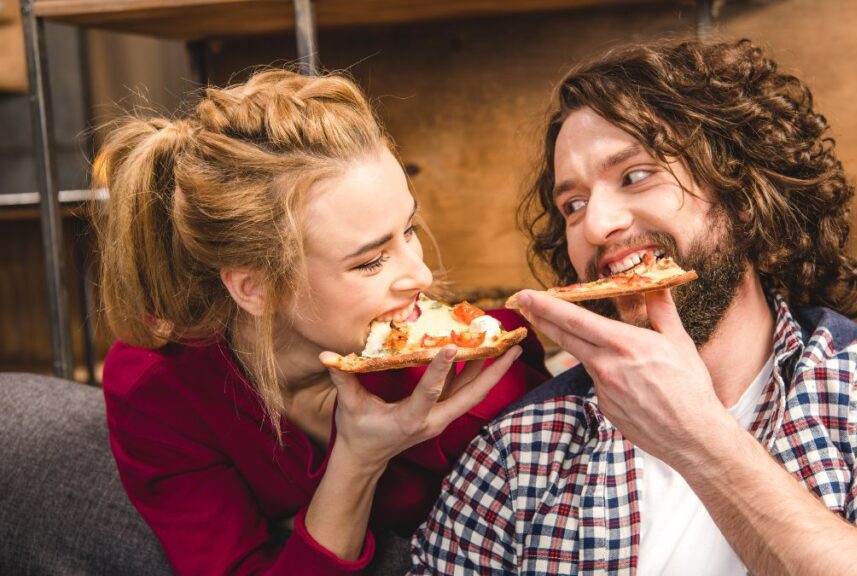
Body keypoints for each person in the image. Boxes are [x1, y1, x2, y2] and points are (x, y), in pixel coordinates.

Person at [410, 38, 857, 574]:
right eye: (572, 204)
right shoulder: (519, 450)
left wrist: (699, 437)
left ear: (743, 198)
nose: (595, 224)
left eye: (636, 175)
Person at [93, 68, 549, 575]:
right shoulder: (157, 387)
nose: (420, 274)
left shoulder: (465, 365)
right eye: (370, 261)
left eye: (410, 229)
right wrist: (356, 462)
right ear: (255, 287)